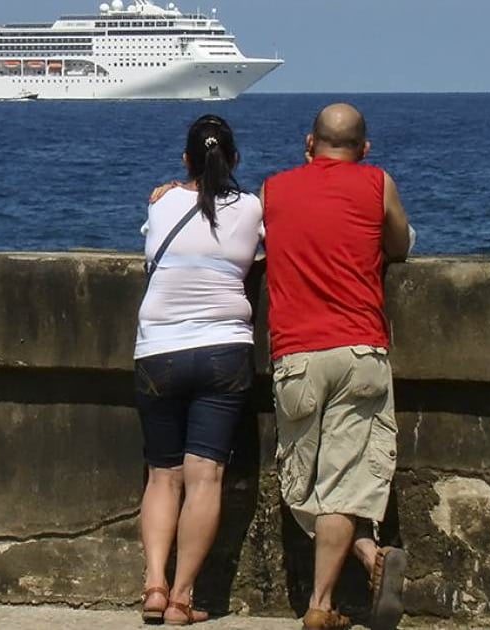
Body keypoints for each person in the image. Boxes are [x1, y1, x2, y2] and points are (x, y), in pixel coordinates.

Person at [262, 103, 414, 630]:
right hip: (359, 352)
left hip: (296, 354)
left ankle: (327, 597)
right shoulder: (377, 183)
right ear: (364, 148)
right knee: (344, 484)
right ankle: (357, 565)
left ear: (309, 143)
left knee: (304, 485)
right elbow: (399, 244)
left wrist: (179, 190)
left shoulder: (273, 190)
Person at [134, 115, 264, 626]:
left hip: (158, 350)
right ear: (233, 160)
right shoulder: (252, 207)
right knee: (204, 476)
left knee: (162, 476)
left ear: (186, 159)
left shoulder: (162, 202)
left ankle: (153, 586)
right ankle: (183, 599)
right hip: (223, 350)